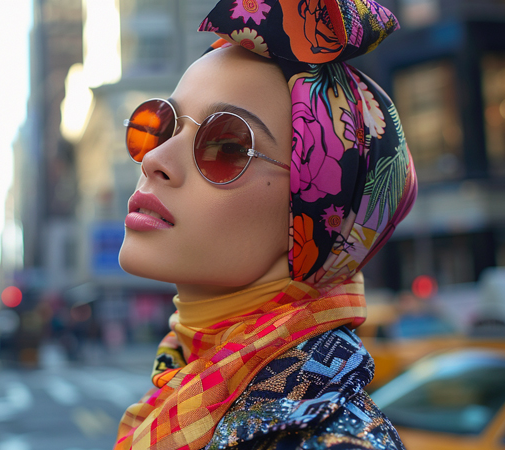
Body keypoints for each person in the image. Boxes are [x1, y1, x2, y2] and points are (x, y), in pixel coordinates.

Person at [114, 0, 417, 449]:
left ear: (313, 223)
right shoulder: (180, 387)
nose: (156, 159)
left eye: (226, 147)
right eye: (160, 126)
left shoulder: (336, 441)